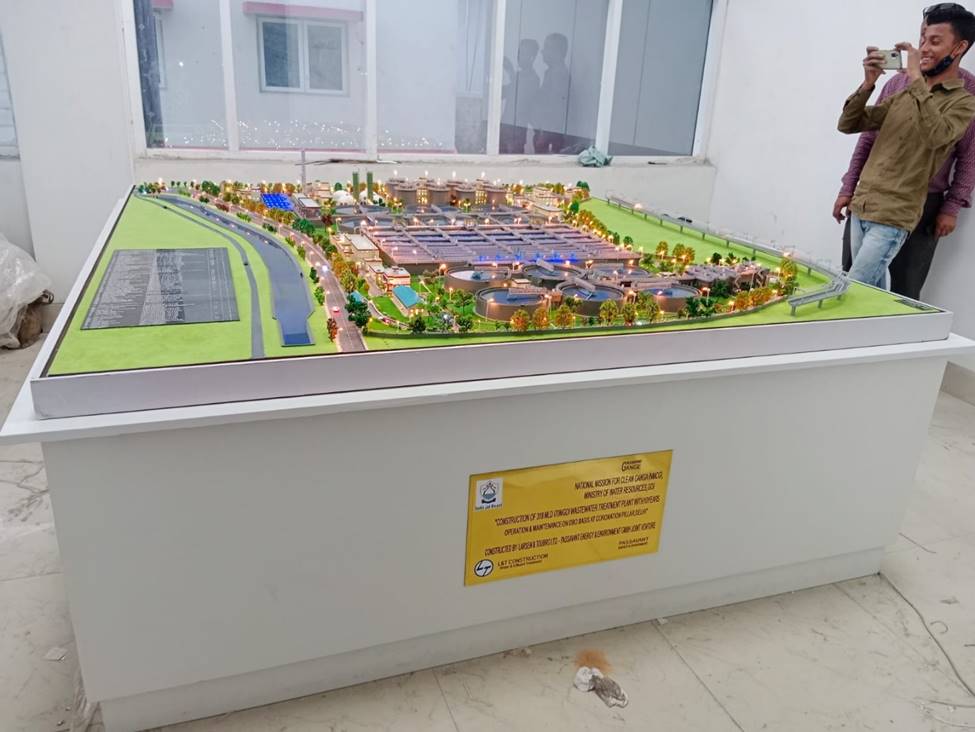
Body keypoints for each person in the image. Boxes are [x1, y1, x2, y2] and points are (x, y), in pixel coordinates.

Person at [835, 3, 975, 299]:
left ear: (959, 47)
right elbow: (858, 130)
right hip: (866, 200)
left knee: (891, 289)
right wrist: (868, 83)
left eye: (934, 41)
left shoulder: (965, 97)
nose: (923, 48)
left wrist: (951, 207)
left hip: (913, 204)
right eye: (922, 38)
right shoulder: (900, 84)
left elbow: (960, 150)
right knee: (865, 289)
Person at [500, 39, 541, 154]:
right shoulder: (519, 75)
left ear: (532, 57)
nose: (519, 56)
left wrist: (510, 70)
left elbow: (520, 96)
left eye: (523, 53)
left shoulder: (534, 79)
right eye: (519, 52)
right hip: (505, 127)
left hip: (516, 131)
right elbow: (506, 92)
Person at [532, 33, 571, 154]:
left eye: (547, 47)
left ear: (557, 52)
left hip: (549, 132)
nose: (542, 51)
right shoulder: (550, 73)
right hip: (544, 129)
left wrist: (544, 134)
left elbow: (555, 108)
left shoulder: (559, 75)